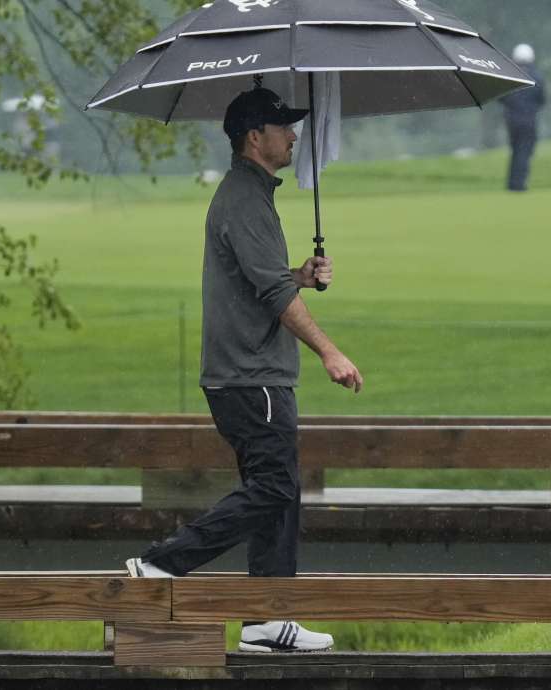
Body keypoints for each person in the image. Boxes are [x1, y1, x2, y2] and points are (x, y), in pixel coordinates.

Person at [124, 87, 364, 654]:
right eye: (283, 127)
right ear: (255, 137)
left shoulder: (250, 196)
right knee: (275, 486)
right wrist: (329, 351)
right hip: (250, 375)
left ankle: (267, 617)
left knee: (280, 489)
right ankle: (160, 565)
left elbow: (259, 278)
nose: (294, 135)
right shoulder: (244, 200)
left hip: (255, 373)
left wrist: (299, 275)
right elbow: (274, 296)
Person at [502, 43, 546, 191]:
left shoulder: (510, 74)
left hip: (511, 120)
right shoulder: (537, 77)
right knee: (524, 151)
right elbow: (542, 100)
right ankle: (519, 184)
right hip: (528, 119)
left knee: (515, 150)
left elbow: (501, 97)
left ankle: (512, 183)